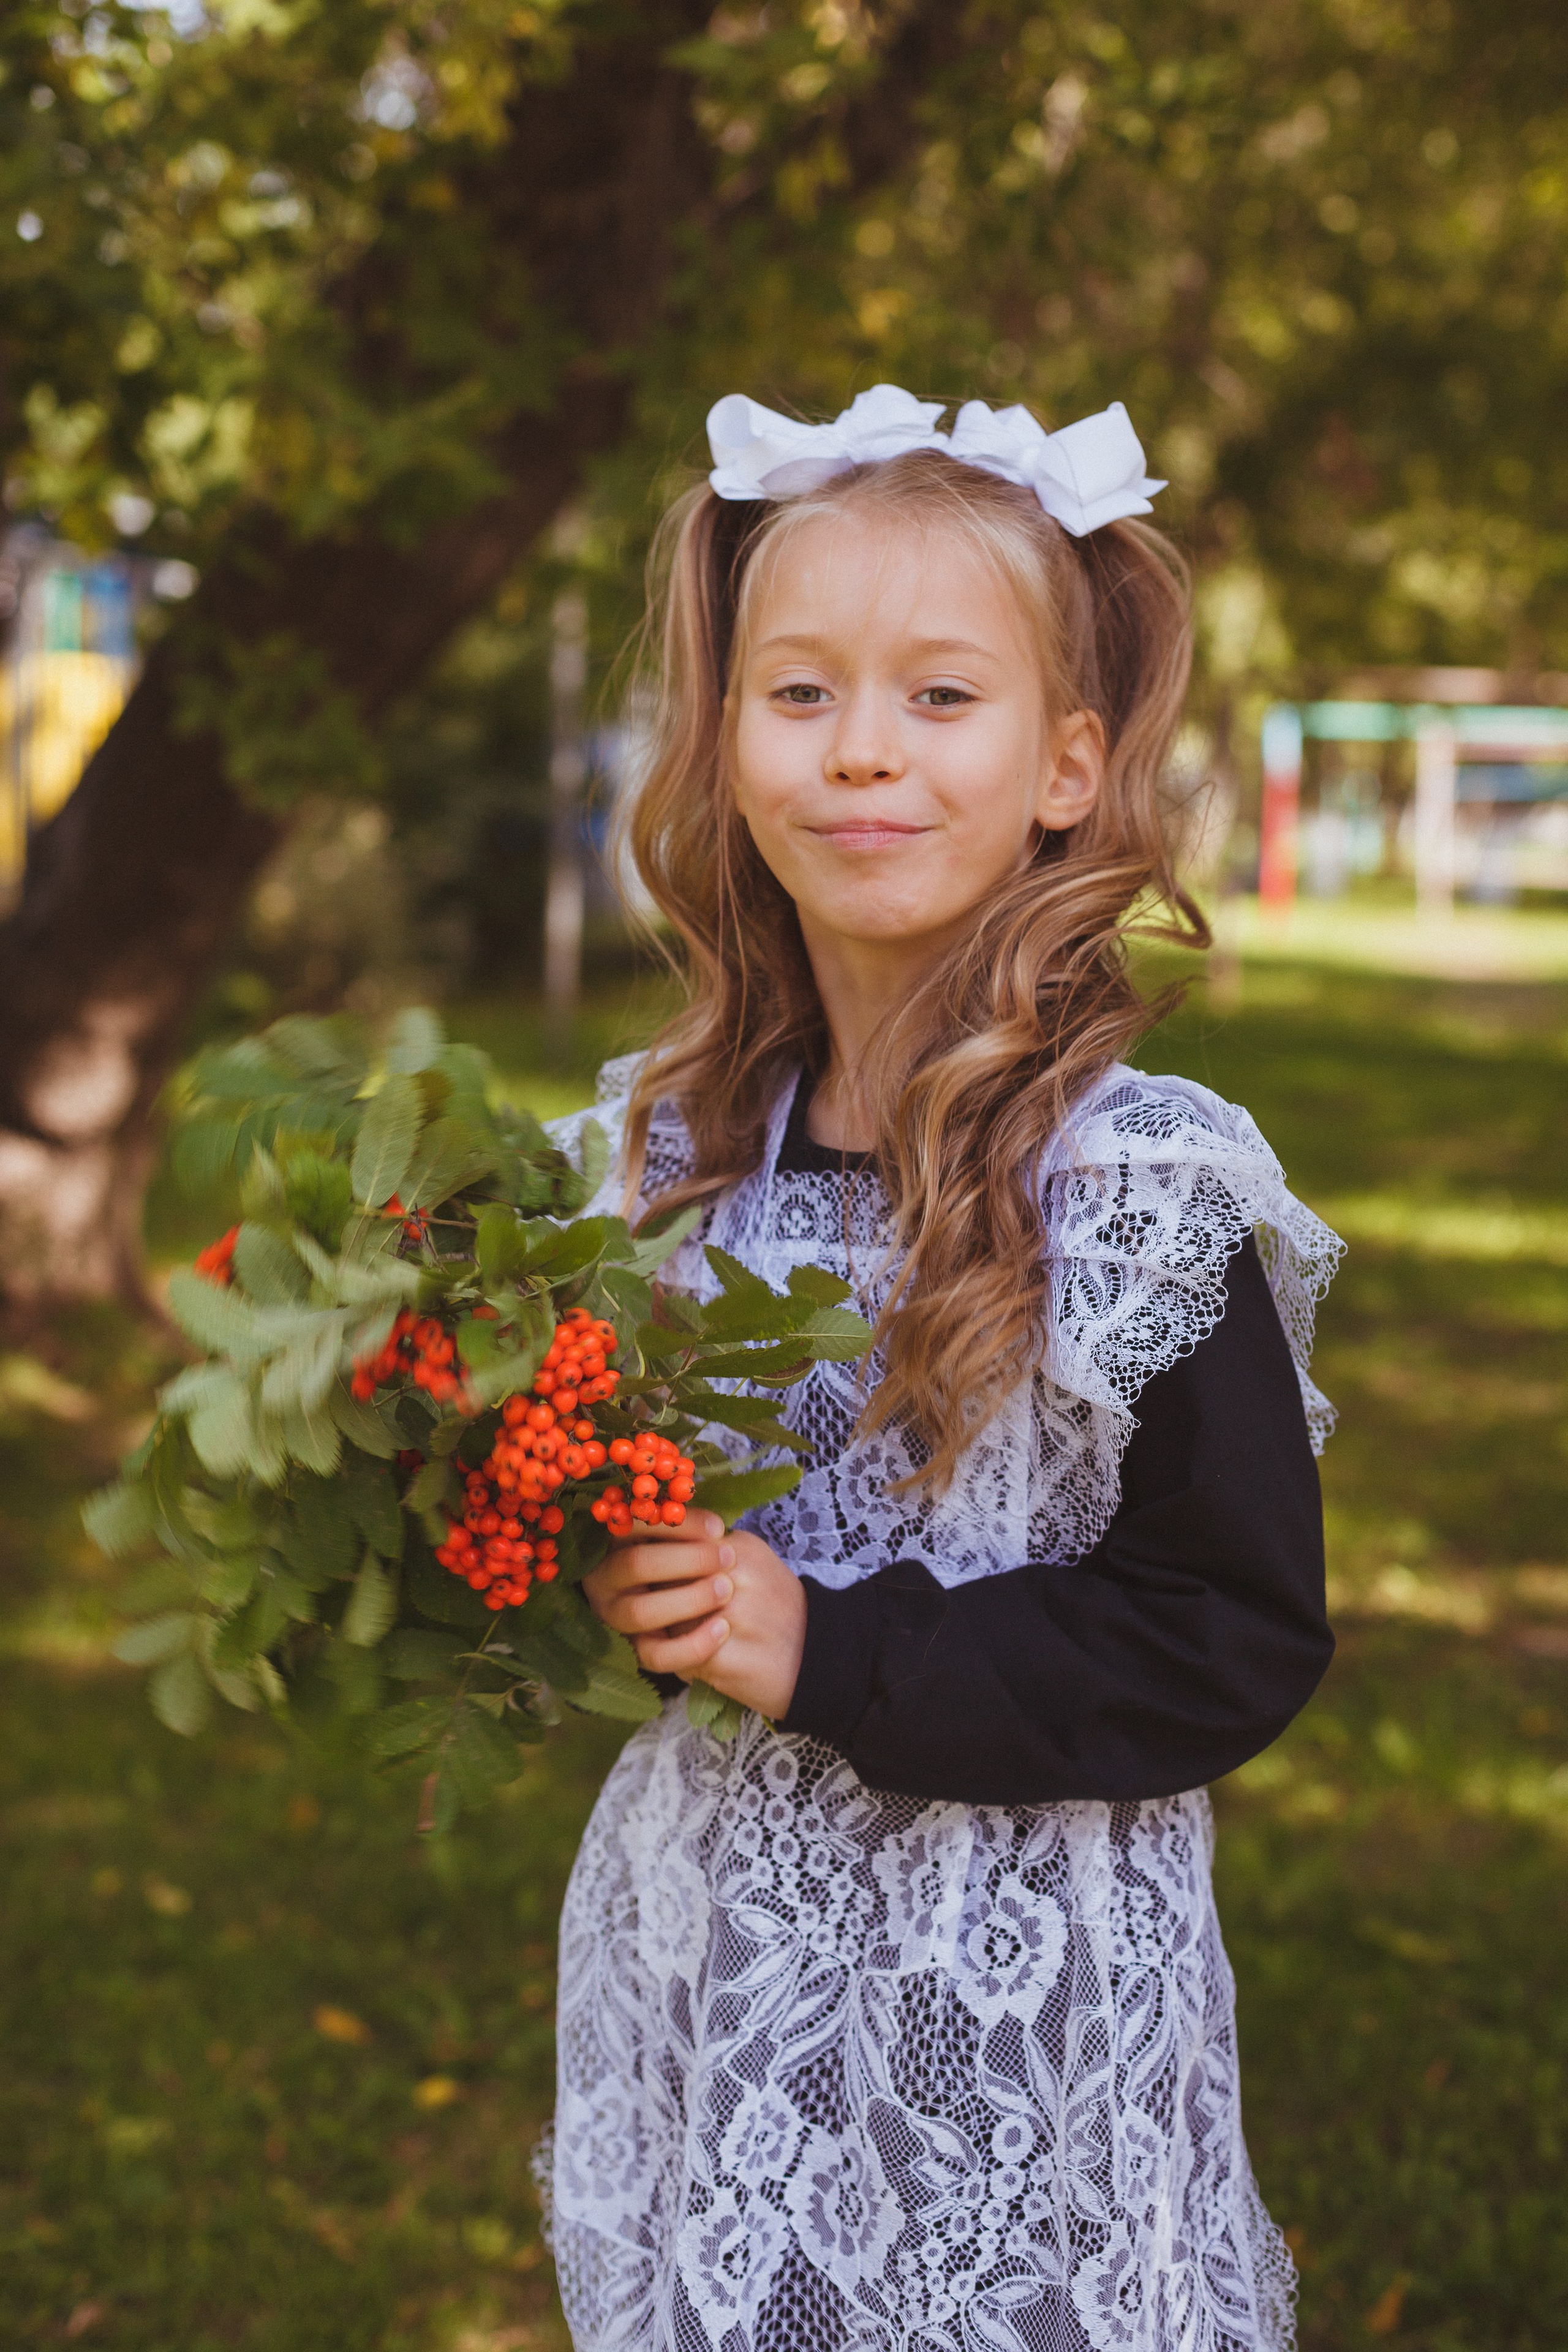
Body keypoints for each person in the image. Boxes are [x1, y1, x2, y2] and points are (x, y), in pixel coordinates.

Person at [540, 384, 1342, 2352]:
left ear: (1070, 763)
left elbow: (1225, 1630)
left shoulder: (1137, 1190)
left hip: (1021, 2004)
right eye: (799, 694)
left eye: (940, 700)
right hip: (718, 1964)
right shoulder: (650, 1163)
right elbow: (618, 1536)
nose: (864, 753)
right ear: (726, 746)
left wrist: (827, 1647)